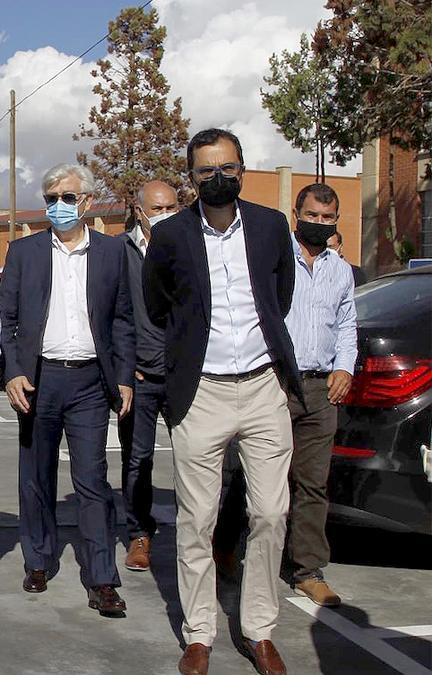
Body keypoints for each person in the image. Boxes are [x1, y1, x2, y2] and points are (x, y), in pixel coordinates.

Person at [144, 128, 303, 675]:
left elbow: (278, 296)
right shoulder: (170, 236)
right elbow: (159, 301)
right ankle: (199, 635)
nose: (217, 178)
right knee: (198, 519)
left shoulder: (269, 226)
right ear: (191, 177)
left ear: (242, 169)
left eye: (227, 168)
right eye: (205, 170)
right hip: (201, 391)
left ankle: (258, 630)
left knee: (270, 511)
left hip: (262, 386)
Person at [0, 163, 135, 617]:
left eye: (68, 198)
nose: (59, 206)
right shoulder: (24, 252)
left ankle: (101, 578)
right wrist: (14, 371)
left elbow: (122, 318)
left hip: (91, 382)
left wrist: (124, 375)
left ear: (88, 202)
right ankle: (38, 560)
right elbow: (7, 320)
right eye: (51, 197)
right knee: (35, 478)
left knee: (92, 481)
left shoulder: (114, 253)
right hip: (39, 380)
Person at [214, 183, 357, 608]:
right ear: (296, 214)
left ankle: (306, 569)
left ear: (336, 221)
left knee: (312, 483)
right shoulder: (277, 260)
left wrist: (345, 367)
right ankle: (225, 546)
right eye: (311, 216)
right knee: (252, 476)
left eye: (327, 219)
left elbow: (347, 323)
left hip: (320, 388)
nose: (318, 224)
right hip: (274, 381)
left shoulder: (340, 270)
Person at [115, 180, 179, 572]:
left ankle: (205, 538)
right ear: (140, 212)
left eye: (173, 206)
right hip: (138, 378)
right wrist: (125, 367)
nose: (166, 214)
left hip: (183, 376)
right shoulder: (119, 251)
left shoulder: (190, 249)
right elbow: (112, 314)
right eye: (158, 208)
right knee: (137, 460)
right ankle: (140, 534)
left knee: (196, 460)